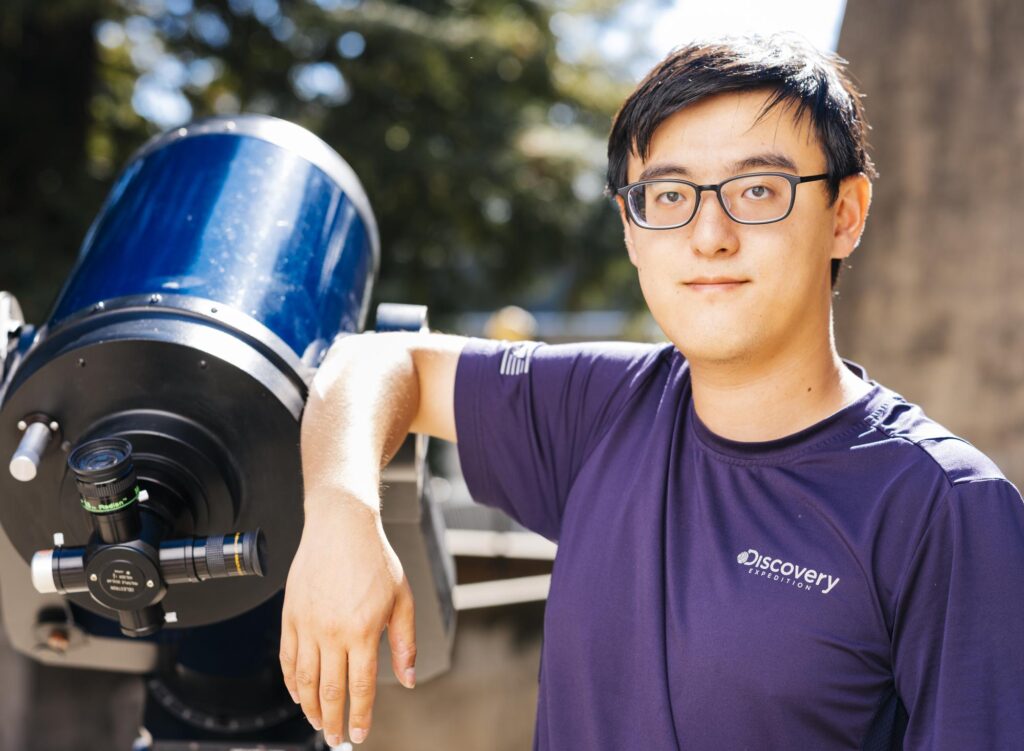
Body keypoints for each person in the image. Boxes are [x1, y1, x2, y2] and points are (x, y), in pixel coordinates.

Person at [279, 34, 1024, 749]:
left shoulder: (944, 506)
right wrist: (341, 517)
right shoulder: (600, 410)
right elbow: (375, 362)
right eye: (668, 195)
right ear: (632, 231)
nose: (709, 235)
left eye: (758, 189)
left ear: (845, 214)